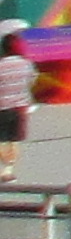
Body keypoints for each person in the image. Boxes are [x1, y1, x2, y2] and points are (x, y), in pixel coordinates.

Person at [0, 27, 30, 183]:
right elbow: (30, 81)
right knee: (14, 140)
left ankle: (3, 170)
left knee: (2, 140)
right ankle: (9, 170)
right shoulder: (26, 64)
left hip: (2, 107)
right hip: (20, 108)